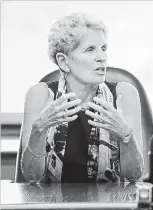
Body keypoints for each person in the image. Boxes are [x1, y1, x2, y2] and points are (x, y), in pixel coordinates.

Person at [20, 13, 144, 183]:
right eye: (90, 49)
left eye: (103, 48)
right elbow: (31, 177)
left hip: (110, 205)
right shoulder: (40, 96)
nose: (102, 57)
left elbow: (134, 175)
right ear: (64, 62)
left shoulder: (124, 94)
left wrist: (125, 135)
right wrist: (39, 130)